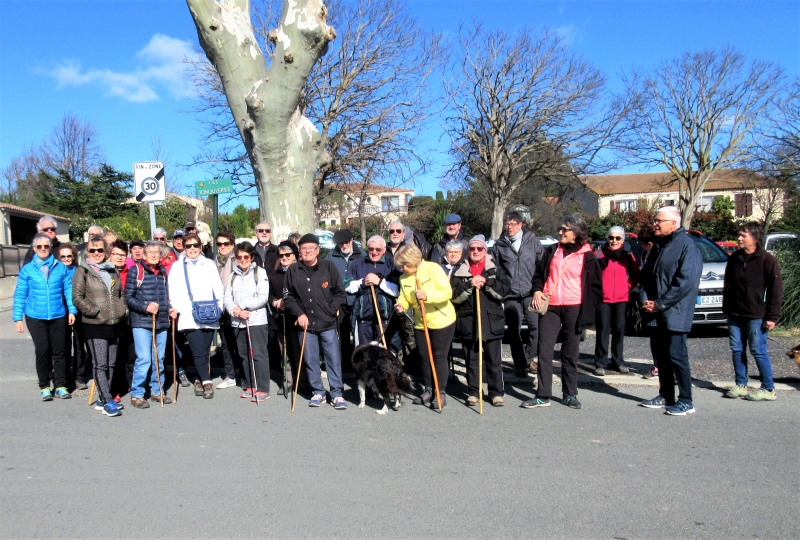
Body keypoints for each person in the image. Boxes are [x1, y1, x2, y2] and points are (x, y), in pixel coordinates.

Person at [524, 214, 602, 410]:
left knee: (570, 353)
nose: (560, 232)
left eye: (564, 229)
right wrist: (537, 290)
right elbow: (538, 275)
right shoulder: (552, 250)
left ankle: (570, 393)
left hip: (574, 307)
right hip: (550, 306)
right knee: (544, 350)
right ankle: (542, 394)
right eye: (560, 228)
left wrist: (590, 314)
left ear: (576, 232)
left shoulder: (588, 256)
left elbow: (595, 288)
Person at [639, 207, 702, 416]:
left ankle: (686, 400)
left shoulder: (686, 246)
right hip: (656, 313)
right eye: (654, 220)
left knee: (677, 356)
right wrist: (646, 300)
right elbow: (646, 278)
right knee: (661, 357)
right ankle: (666, 395)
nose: (654, 224)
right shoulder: (658, 247)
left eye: (659, 221)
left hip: (676, 312)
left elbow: (685, 283)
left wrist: (660, 303)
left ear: (673, 224)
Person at [283, 234, 347, 409]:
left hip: (327, 323)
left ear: (318, 250)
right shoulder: (293, 270)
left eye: (311, 248)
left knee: (333, 358)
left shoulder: (329, 266)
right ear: (299, 251)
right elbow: (288, 296)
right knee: (311, 359)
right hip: (306, 325)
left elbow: (340, 293)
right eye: (304, 248)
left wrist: (330, 309)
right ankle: (318, 392)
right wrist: (299, 314)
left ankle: (336, 393)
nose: (308, 251)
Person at [722, 222, 783, 401]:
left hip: (757, 314)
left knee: (758, 350)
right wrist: (726, 308)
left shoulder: (767, 259)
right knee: (736, 349)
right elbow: (728, 285)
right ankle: (741, 384)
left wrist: (772, 316)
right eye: (739, 234)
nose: (739, 238)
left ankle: (768, 388)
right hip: (735, 313)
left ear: (754, 238)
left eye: (743, 235)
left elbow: (776, 290)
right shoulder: (734, 258)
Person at [13, 233, 77, 401]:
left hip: (58, 315)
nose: (43, 249)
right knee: (43, 350)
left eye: (46, 246)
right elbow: (21, 294)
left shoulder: (60, 267)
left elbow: (68, 291)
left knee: (60, 351)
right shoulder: (27, 269)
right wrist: (17, 317)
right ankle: (45, 386)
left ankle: (61, 385)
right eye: (39, 247)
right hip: (35, 316)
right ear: (34, 249)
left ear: (50, 248)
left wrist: (72, 310)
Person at [450, 235, 510, 407]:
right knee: (472, 360)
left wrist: (487, 283)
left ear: (485, 250)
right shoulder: (460, 270)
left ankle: (496, 393)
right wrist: (469, 285)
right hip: (469, 321)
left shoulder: (496, 269)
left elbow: (504, 292)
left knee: (493, 360)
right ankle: (474, 392)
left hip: (492, 321)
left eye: (480, 248)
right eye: (472, 248)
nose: (476, 251)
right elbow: (454, 297)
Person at [72, 235, 128, 416]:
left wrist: (122, 310)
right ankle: (107, 400)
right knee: (100, 364)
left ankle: (103, 399)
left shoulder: (112, 270)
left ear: (106, 252)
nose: (96, 253)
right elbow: (77, 297)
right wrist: (94, 311)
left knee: (111, 364)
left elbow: (121, 294)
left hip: (114, 323)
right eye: (92, 250)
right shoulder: (83, 271)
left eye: (100, 250)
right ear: (88, 251)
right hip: (95, 324)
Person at [394, 244, 456, 410]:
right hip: (421, 323)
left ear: (414, 261)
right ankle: (428, 389)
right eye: (400, 265)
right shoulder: (404, 278)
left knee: (439, 356)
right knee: (424, 357)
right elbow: (405, 297)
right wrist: (401, 304)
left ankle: (440, 392)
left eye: (404, 265)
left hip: (442, 320)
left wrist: (427, 296)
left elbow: (446, 292)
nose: (402, 268)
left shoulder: (433, 269)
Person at [168, 233, 225, 399]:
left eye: (195, 245)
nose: (192, 248)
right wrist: (175, 308)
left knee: (205, 350)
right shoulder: (178, 266)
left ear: (201, 247)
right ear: (184, 248)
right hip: (188, 313)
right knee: (197, 349)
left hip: (209, 312)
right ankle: (207, 381)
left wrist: (219, 307)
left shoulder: (208, 264)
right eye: (188, 246)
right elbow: (173, 289)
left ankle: (199, 379)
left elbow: (217, 286)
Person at [125, 241, 176, 409]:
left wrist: (169, 309)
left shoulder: (162, 273)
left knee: (159, 359)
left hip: (160, 321)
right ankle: (137, 393)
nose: (154, 255)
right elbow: (129, 298)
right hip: (141, 322)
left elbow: (164, 298)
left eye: (157, 252)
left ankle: (157, 389)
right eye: (150, 252)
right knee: (144, 358)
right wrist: (146, 307)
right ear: (144, 255)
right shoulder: (136, 271)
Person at [492, 210, 544, 377]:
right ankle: (520, 364)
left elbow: (541, 266)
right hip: (511, 295)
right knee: (514, 331)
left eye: (513, 224)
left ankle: (529, 358)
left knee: (536, 327)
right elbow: (495, 269)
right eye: (507, 224)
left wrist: (539, 288)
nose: (509, 227)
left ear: (521, 225)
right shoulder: (499, 245)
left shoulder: (533, 241)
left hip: (531, 293)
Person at [224, 241, 271, 402]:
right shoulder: (233, 275)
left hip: (255, 321)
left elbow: (263, 297)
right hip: (237, 321)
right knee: (244, 355)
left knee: (258, 355)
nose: (242, 259)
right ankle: (249, 384)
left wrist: (243, 306)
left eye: (246, 256)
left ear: (251, 257)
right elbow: (227, 297)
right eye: (239, 257)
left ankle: (262, 387)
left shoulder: (260, 272)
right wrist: (234, 310)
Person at [593, 226, 640, 376]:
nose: (614, 241)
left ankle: (618, 361)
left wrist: (627, 286)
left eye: (618, 238)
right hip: (603, 299)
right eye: (611, 238)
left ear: (622, 240)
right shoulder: (598, 255)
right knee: (602, 330)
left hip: (621, 298)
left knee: (619, 330)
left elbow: (636, 275)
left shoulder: (627, 256)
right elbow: (591, 277)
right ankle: (600, 363)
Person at [345, 235, 400, 347]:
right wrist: (362, 283)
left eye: (378, 249)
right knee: (365, 353)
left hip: (385, 319)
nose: (374, 252)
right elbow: (347, 286)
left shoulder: (392, 264)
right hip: (363, 318)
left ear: (384, 250)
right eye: (371, 249)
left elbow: (398, 290)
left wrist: (379, 282)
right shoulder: (357, 264)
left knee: (384, 351)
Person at [326, 228, 364, 367]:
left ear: (352, 240)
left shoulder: (362, 255)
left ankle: (359, 363)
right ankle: (345, 363)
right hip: (339, 301)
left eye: (346, 242)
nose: (344, 245)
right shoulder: (330, 257)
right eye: (340, 243)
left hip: (358, 301)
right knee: (342, 333)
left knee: (359, 333)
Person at [268, 241, 300, 395]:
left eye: (288, 255)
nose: (285, 257)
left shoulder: (300, 271)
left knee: (299, 351)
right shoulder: (274, 274)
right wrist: (275, 302)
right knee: (285, 352)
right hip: (281, 319)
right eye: (282, 255)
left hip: (298, 317)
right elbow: (269, 294)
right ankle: (287, 382)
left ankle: (303, 382)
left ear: (294, 256)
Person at [57, 243, 88, 391]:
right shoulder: (55, 271)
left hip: (78, 311)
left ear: (74, 257)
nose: (66, 259)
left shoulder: (79, 271)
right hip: (61, 312)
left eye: (69, 256)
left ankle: (79, 377)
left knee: (79, 346)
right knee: (63, 346)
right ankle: (64, 377)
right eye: (63, 256)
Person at [214, 230, 240, 389]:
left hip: (235, 306)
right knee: (225, 344)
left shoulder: (237, 259)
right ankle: (230, 375)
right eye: (219, 244)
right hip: (220, 307)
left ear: (232, 244)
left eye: (226, 243)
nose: (223, 246)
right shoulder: (215, 261)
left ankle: (244, 374)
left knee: (239, 343)